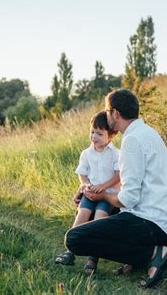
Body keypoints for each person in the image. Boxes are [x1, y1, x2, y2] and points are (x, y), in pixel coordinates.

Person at [65, 89, 167, 288]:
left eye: (108, 112)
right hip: (162, 222)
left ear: (115, 113)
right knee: (98, 214)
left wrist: (103, 195)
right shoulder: (148, 133)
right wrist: (92, 192)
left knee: (74, 238)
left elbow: (127, 199)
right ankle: (138, 259)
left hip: (150, 224)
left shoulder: (132, 141)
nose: (106, 115)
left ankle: (153, 254)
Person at [55, 111, 120, 275]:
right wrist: (85, 185)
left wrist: (103, 186)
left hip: (107, 196)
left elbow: (118, 175)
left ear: (111, 135)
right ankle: (70, 251)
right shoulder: (86, 153)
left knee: (99, 220)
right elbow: (82, 173)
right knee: (82, 215)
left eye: (99, 133)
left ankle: (93, 259)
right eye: (92, 132)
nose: (94, 136)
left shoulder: (116, 154)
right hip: (90, 194)